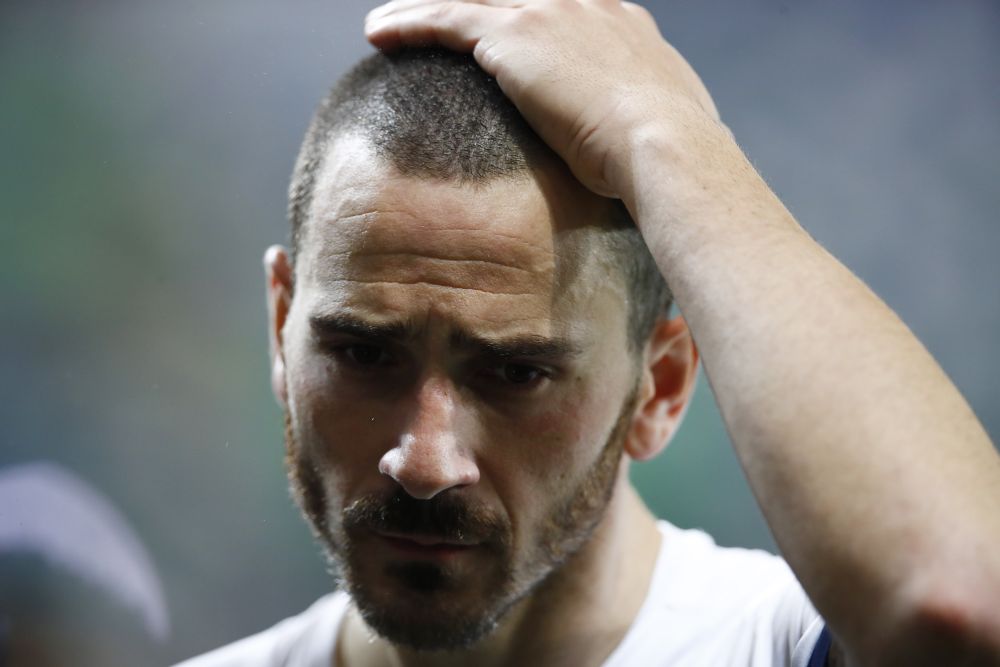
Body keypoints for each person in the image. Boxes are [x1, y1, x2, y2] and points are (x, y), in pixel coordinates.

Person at [179, 2, 1000, 665]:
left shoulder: (772, 644)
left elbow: (959, 602)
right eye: (363, 353)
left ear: (661, 386)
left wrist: (663, 132)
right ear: (282, 325)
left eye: (516, 373)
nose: (423, 462)